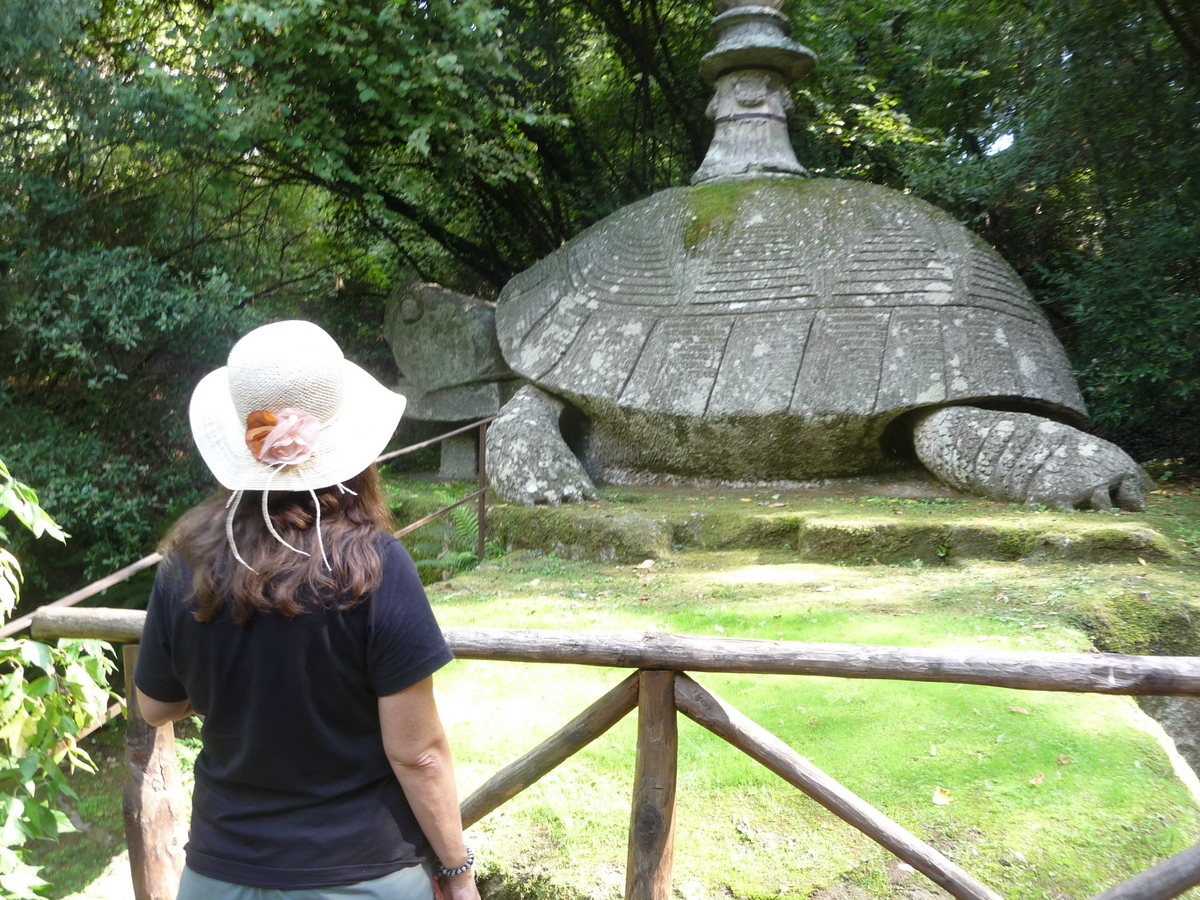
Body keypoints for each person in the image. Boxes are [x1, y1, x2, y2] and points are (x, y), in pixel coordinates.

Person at [134, 320, 480, 900]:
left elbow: (155, 705)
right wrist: (455, 870)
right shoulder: (376, 566)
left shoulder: (185, 564)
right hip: (363, 875)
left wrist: (231, 671)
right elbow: (418, 752)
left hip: (220, 875)